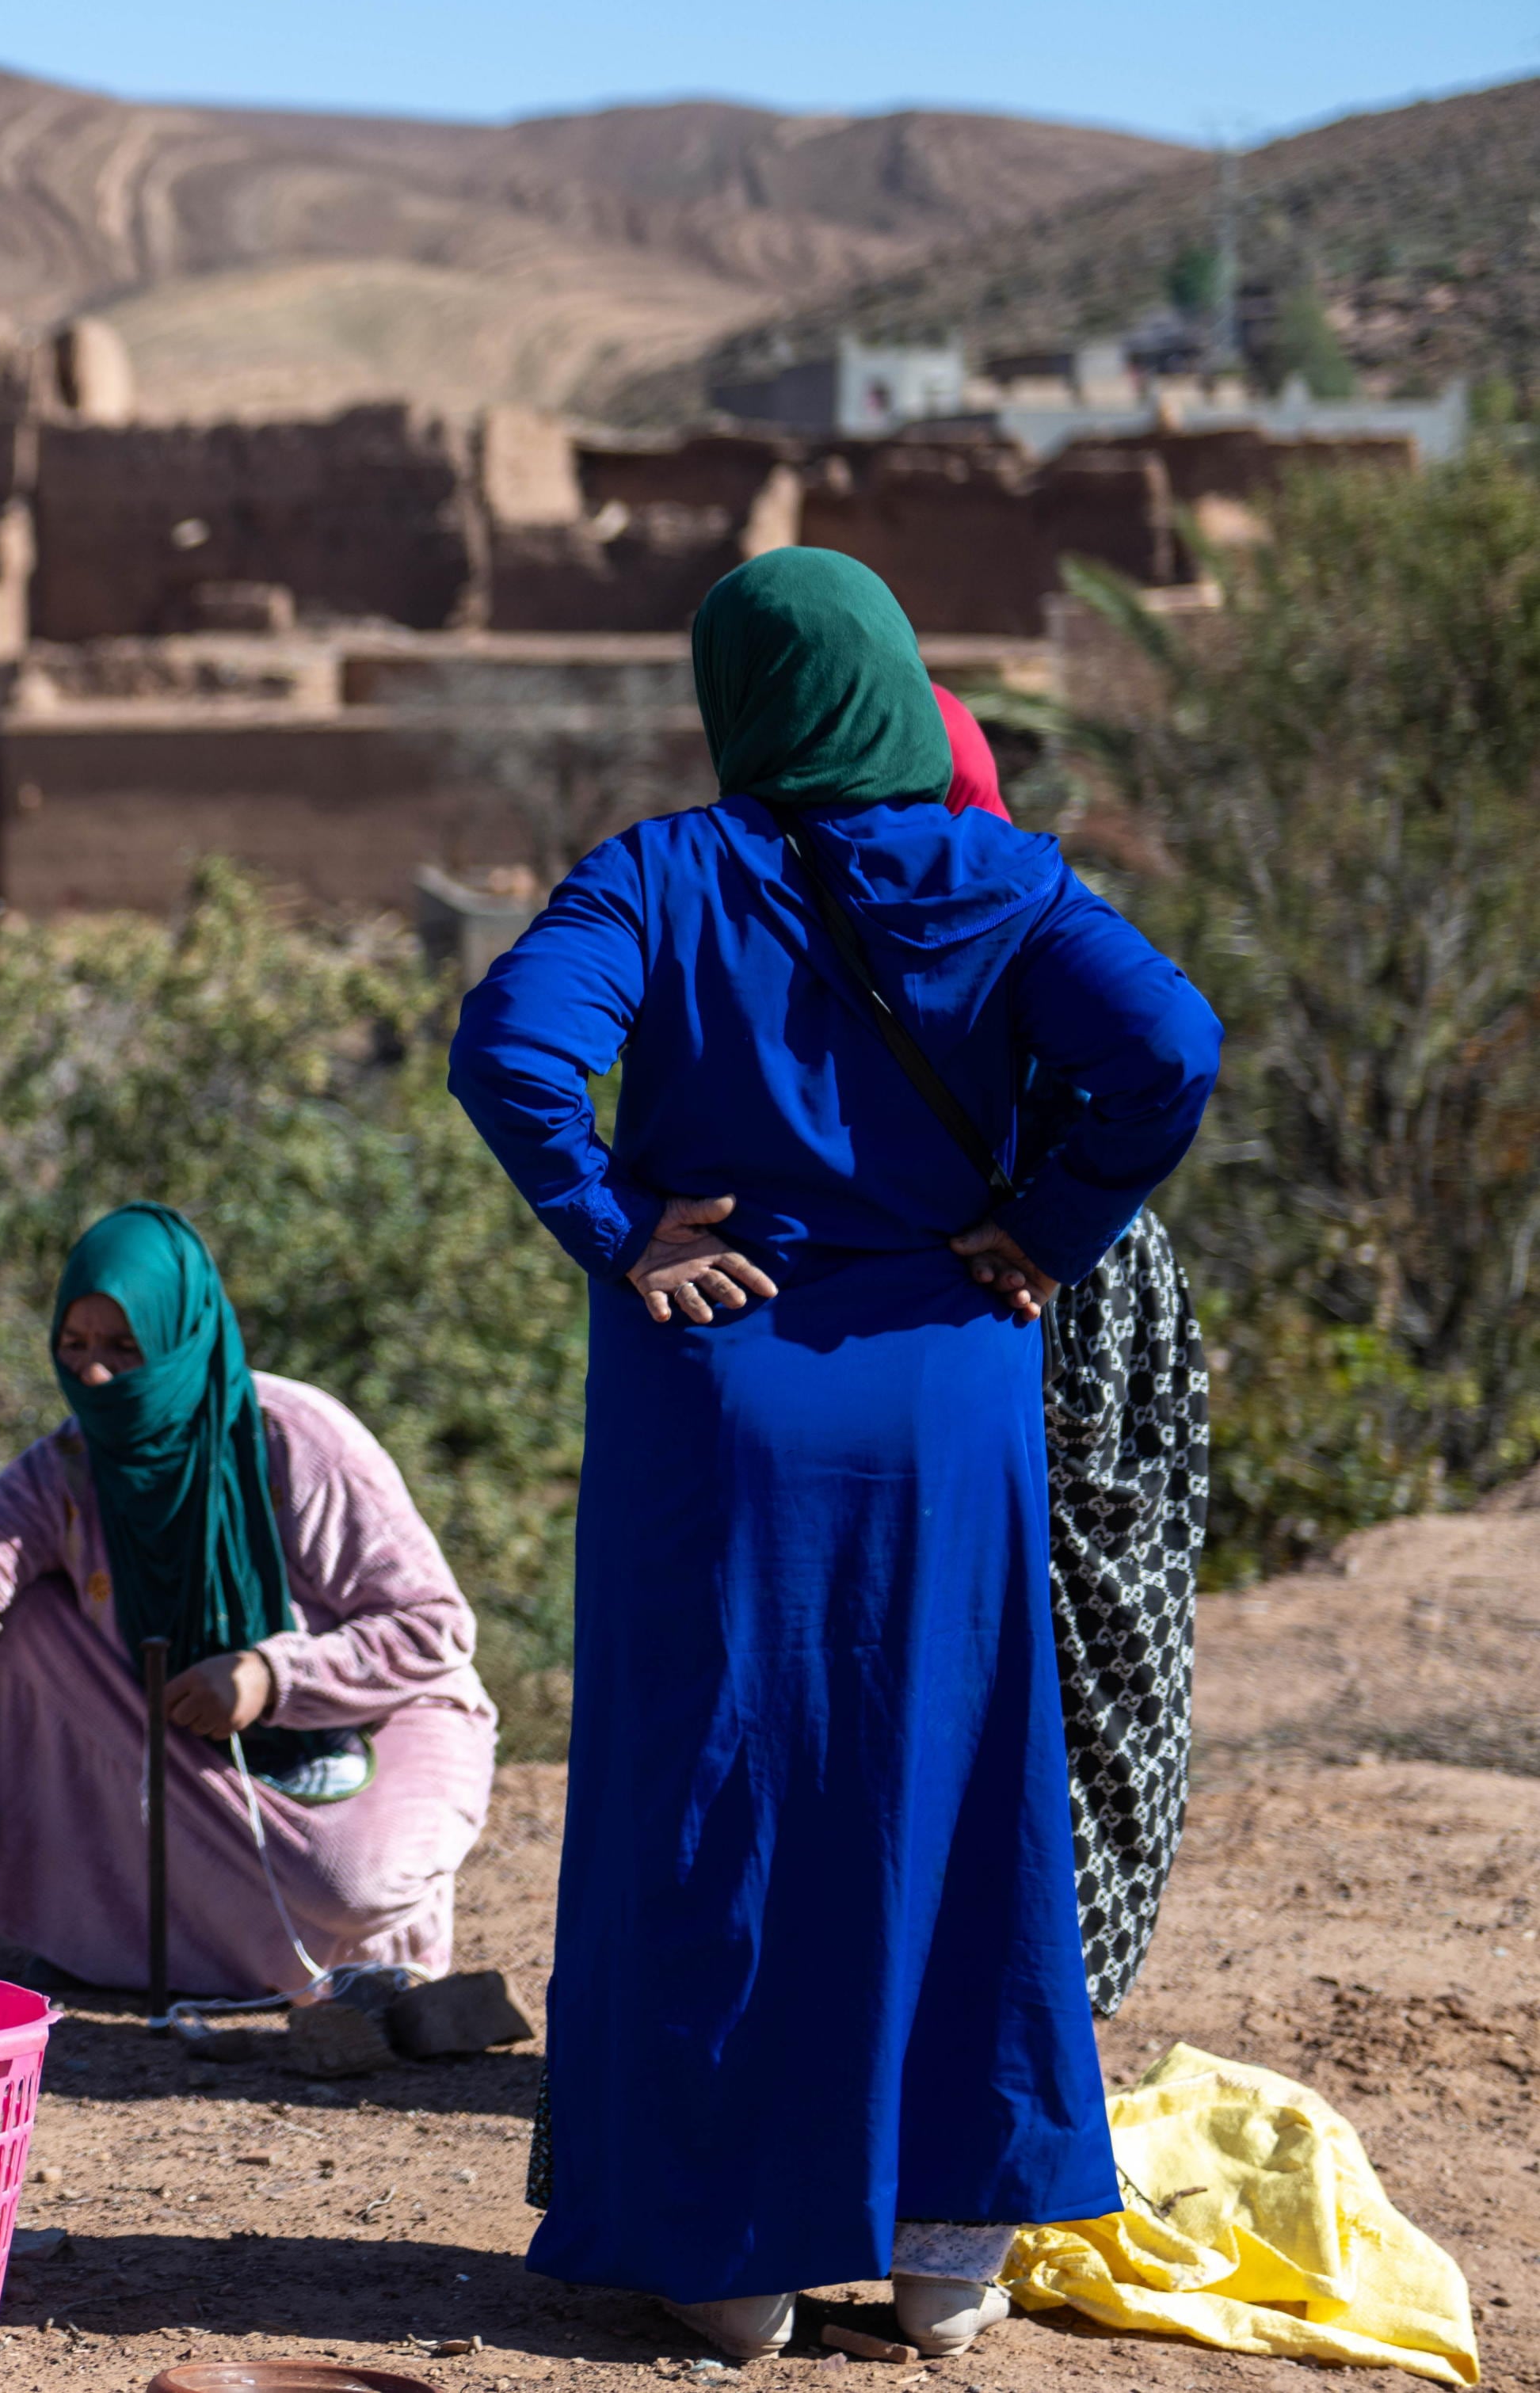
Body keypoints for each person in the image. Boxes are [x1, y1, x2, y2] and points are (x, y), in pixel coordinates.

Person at [448, 549, 1220, 2365]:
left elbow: (511, 1045)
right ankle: (948, 2250)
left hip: (717, 1396)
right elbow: (1168, 1045)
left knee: (718, 1798)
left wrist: (618, 1221)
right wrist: (1050, 1220)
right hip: (947, 1395)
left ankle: (733, 2261)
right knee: (951, 1788)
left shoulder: (659, 874)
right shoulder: (1008, 878)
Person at [0, 1202, 496, 2002]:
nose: (92, 1374)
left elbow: (431, 1629)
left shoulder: (292, 1441)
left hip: (380, 1716)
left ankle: (359, 1953)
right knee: (25, 1625)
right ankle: (131, 1941)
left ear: (180, 1335)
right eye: (75, 1345)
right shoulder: (66, 1465)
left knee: (347, 1885)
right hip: (187, 1737)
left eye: (124, 1349)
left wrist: (271, 1677)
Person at [935, 677, 1214, 2021]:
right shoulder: (1026, 893)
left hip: (1033, 1276)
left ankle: (1015, 1984)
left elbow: (1165, 1054)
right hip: (1064, 1271)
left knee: (1058, 1618)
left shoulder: (981, 902)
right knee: (1077, 1627)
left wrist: (1043, 1227)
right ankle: (1034, 1984)